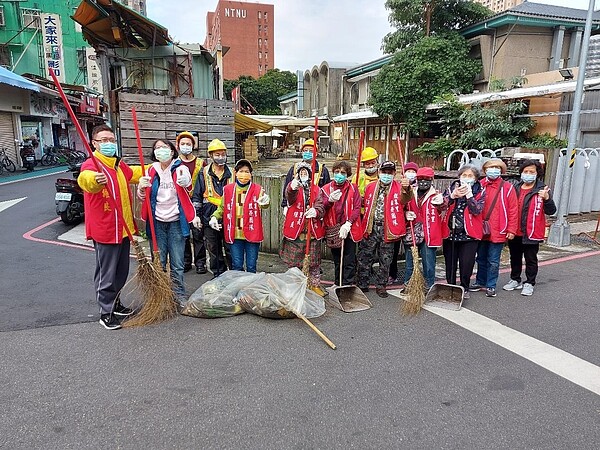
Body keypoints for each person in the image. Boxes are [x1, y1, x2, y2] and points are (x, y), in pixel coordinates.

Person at [77, 124, 139, 330]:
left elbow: (133, 174)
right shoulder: (92, 165)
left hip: (123, 228)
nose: (109, 144)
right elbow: (85, 181)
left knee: (121, 271)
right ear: (94, 143)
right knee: (107, 273)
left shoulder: (117, 164)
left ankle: (116, 302)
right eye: (103, 140)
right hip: (106, 229)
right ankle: (106, 312)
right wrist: (94, 180)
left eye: (111, 140)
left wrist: (156, 169)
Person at [137, 139, 195, 305]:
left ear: (172, 150)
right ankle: (159, 295)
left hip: (176, 222)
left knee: (177, 263)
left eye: (164, 147)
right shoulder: (151, 171)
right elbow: (144, 197)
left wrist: (186, 182)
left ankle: (179, 295)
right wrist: (141, 188)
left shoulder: (180, 167)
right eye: (157, 148)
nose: (160, 150)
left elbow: (188, 184)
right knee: (159, 262)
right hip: (157, 223)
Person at [357, 161, 412, 298]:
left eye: (389, 172)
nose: (386, 175)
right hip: (371, 227)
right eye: (384, 172)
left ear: (394, 173)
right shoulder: (370, 187)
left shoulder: (400, 187)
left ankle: (381, 285)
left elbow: (406, 200)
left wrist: (407, 188)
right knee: (365, 256)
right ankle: (362, 283)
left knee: (385, 259)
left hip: (388, 228)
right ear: (379, 172)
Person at [502, 159, 556, 296]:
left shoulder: (542, 189)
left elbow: (551, 211)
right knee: (514, 257)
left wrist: (547, 199)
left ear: (537, 173)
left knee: (531, 258)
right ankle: (515, 279)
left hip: (532, 231)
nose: (528, 174)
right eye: (525, 171)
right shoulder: (515, 188)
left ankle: (529, 282)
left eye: (531, 171)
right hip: (515, 230)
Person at [211, 159, 270, 273]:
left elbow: (264, 205)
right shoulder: (228, 189)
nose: (244, 174)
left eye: (247, 171)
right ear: (236, 173)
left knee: (251, 266)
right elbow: (222, 207)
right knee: (237, 266)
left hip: (252, 233)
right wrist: (214, 217)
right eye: (241, 171)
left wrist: (265, 201)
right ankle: (239, 289)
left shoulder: (257, 189)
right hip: (235, 234)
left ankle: (249, 289)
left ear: (251, 174)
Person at [471, 158, 518, 297]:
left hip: (499, 229)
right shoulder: (479, 185)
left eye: (497, 168)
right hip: (481, 228)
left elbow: (513, 210)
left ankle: (491, 285)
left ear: (501, 171)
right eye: (491, 167)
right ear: (485, 171)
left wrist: (511, 229)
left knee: (493, 260)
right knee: (480, 257)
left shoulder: (508, 187)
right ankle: (480, 281)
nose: (494, 170)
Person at [280, 162, 327, 296]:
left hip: (312, 232)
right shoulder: (294, 187)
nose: (303, 175)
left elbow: (321, 205)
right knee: (294, 264)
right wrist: (291, 187)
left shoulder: (317, 189)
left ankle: (315, 285)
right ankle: (295, 287)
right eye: (301, 173)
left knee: (314, 263)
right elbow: (289, 196)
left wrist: (316, 211)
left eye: (305, 172)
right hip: (296, 233)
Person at [191, 138, 234, 277]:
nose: (221, 157)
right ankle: (218, 275)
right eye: (217, 155)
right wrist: (196, 215)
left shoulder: (233, 173)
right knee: (213, 248)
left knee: (230, 248)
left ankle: (233, 275)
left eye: (223, 154)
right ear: (210, 156)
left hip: (229, 216)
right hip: (208, 216)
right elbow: (197, 196)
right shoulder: (203, 173)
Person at [442, 164, 485, 300]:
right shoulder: (452, 188)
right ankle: (451, 286)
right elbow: (441, 205)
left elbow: (477, 210)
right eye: (464, 175)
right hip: (451, 233)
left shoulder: (480, 191)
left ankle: (464, 287)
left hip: (469, 234)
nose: (466, 178)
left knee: (466, 264)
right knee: (450, 262)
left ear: (476, 178)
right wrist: (452, 196)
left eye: (470, 176)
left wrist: (469, 196)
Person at [403, 167, 447, 292]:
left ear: (431, 180)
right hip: (413, 231)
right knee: (410, 262)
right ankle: (408, 284)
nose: (423, 182)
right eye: (420, 179)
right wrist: (406, 213)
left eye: (426, 179)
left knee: (428, 263)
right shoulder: (411, 192)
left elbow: (444, 208)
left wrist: (442, 203)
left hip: (429, 233)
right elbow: (402, 205)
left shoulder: (436, 195)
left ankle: (429, 285)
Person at [322, 160, 362, 286]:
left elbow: (357, 207)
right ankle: (337, 283)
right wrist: (329, 201)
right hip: (333, 228)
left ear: (347, 174)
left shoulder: (353, 188)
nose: (339, 174)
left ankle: (348, 284)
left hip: (348, 229)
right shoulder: (326, 189)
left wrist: (348, 223)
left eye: (343, 172)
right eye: (337, 172)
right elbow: (322, 208)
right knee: (337, 259)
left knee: (349, 259)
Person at [176, 131, 207, 275]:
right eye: (183, 144)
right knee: (184, 234)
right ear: (178, 145)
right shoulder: (174, 163)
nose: (186, 146)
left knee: (198, 233)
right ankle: (186, 261)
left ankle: (200, 262)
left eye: (188, 144)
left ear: (193, 146)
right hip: (179, 204)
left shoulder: (201, 163)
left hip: (196, 203)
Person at [389, 161, 419, 284]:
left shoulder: (420, 187)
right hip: (399, 223)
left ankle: (411, 277)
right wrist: (404, 213)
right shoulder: (397, 186)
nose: (411, 174)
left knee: (411, 253)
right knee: (393, 252)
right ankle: (392, 274)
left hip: (415, 225)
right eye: (408, 171)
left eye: (413, 172)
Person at [281, 139, 330, 212]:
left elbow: (326, 192)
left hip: (314, 208)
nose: (308, 153)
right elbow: (287, 188)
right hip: (297, 206)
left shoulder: (322, 170)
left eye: (311, 151)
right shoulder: (294, 168)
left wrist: (321, 210)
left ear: (316, 153)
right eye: (305, 150)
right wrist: (285, 205)